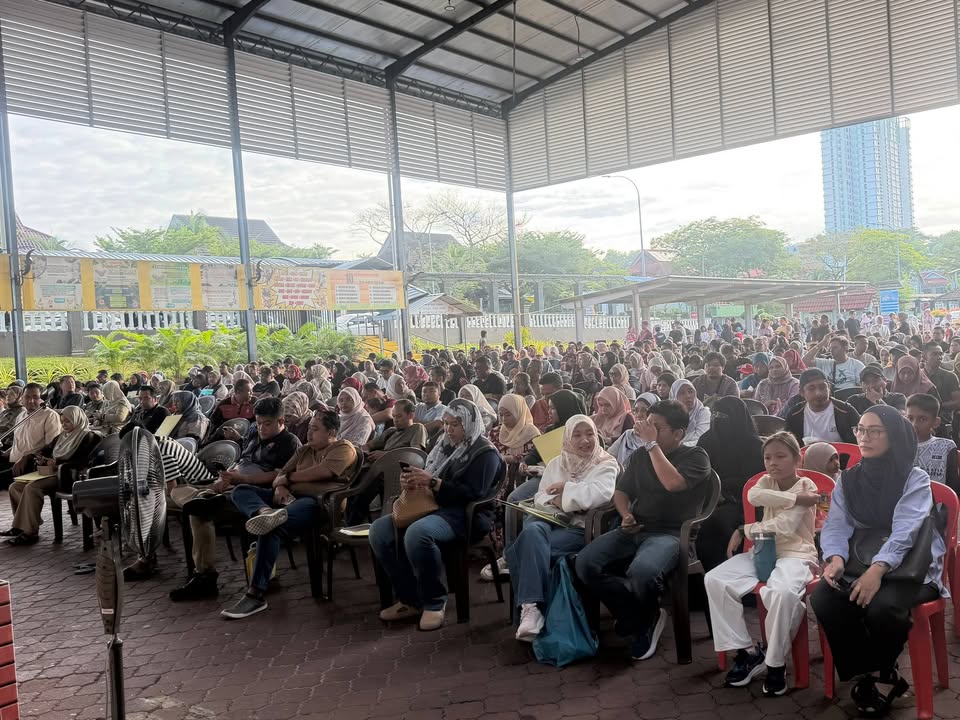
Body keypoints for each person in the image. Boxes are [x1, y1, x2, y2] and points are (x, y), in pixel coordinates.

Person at [812, 406, 947, 718]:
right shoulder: (848, 480)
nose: (864, 437)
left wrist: (877, 570)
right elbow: (836, 525)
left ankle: (882, 676)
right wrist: (835, 558)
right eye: (861, 429)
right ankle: (875, 671)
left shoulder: (914, 477)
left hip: (912, 566)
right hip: (861, 559)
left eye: (875, 431)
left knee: (882, 606)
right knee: (824, 596)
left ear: (894, 436)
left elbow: (906, 530)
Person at [575, 400, 711, 661]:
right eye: (647, 425)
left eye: (656, 427)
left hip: (672, 535)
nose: (647, 431)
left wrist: (651, 445)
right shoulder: (640, 456)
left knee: (642, 571)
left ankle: (641, 623)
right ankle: (641, 616)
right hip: (635, 528)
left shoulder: (696, 457)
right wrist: (626, 514)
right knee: (585, 563)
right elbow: (622, 491)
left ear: (678, 434)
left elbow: (673, 483)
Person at [371, 399, 502, 631]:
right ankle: (410, 598)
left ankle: (434, 601)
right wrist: (412, 479)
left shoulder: (484, 452)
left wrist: (433, 482)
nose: (449, 429)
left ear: (470, 424)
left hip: (466, 515)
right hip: (434, 505)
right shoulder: (444, 445)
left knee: (417, 534)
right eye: (446, 423)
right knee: (379, 530)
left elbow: (474, 494)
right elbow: (429, 474)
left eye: (455, 425)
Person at [706, 432, 819, 695]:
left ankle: (776, 663)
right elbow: (754, 496)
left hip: (796, 554)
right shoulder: (765, 482)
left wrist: (745, 528)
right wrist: (793, 501)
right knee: (715, 579)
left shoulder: (807, 487)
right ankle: (747, 652)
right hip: (764, 551)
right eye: (768, 457)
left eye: (781, 456)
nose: (773, 463)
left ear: (796, 458)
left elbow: (786, 526)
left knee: (781, 593)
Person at [222, 410, 357, 619]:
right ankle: (264, 511)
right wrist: (280, 488)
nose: (309, 434)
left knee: (270, 528)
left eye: (315, 429)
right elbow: (278, 477)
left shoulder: (343, 448)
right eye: (309, 428)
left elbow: (323, 472)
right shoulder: (304, 451)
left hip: (317, 503)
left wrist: (289, 479)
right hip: (288, 499)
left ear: (331, 432)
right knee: (241, 491)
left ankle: (255, 594)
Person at [168, 397, 302, 600]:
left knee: (197, 511)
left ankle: (205, 577)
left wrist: (240, 479)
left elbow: (278, 476)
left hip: (255, 494)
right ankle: (206, 496)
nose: (261, 428)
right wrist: (226, 477)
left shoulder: (289, 442)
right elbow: (241, 461)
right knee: (177, 492)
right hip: (233, 484)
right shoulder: (254, 436)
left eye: (267, 424)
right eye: (258, 423)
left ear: (281, 421)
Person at [507, 415, 618, 641]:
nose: (584, 440)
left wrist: (565, 490)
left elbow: (598, 494)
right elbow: (540, 497)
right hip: (551, 525)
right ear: (567, 438)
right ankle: (534, 608)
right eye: (576, 435)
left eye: (589, 434)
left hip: (581, 530)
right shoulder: (558, 463)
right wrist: (561, 499)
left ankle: (531, 609)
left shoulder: (606, 463)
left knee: (522, 547)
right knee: (532, 532)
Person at [3, 406, 99, 546]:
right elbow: (46, 450)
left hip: (68, 476)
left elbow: (82, 461)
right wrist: (41, 458)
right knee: (15, 487)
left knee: (32, 488)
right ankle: (20, 526)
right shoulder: (61, 436)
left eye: (68, 421)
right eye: (62, 421)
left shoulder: (88, 436)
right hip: (52, 472)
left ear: (77, 419)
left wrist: (57, 462)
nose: (64, 425)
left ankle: (30, 532)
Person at [695, 397, 765, 573]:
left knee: (717, 523)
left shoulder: (754, 446)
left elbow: (755, 483)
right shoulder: (707, 440)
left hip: (744, 502)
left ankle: (734, 574)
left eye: (724, 415)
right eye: (715, 414)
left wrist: (723, 488)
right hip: (709, 499)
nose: (718, 419)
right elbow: (700, 474)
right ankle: (714, 576)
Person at [0, 384, 61, 489]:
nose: (30, 401)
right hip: (12, 461)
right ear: (22, 398)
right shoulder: (21, 416)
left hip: (30, 465)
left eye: (35, 397)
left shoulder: (49, 415)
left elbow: (51, 446)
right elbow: (17, 443)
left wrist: (27, 457)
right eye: (27, 397)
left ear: (42, 398)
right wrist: (3, 453)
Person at [784, 369, 860, 445]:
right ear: (802, 392)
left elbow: (859, 444)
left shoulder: (846, 412)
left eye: (822, 387)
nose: (818, 393)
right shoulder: (794, 415)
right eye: (811, 388)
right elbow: (790, 447)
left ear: (829, 387)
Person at [906, 393, 959, 493]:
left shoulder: (946, 447)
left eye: (922, 419)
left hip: (936, 506)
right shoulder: (897, 447)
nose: (914, 424)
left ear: (936, 422)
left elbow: (953, 486)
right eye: (910, 418)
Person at [608, 393, 659, 467]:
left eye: (644, 410)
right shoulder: (629, 435)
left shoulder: (657, 438)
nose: (638, 415)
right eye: (636, 410)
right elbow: (610, 456)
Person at [489, 394, 541, 464]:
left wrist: (512, 459)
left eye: (508, 415)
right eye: (501, 415)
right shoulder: (495, 432)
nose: (504, 419)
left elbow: (535, 456)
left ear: (519, 412)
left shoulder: (532, 433)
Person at [922, 342, 960, 428]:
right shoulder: (919, 375)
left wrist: (937, 406)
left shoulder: (950, 376)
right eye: (934, 354)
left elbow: (958, 402)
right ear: (924, 356)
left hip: (944, 422)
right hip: (921, 421)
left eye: (940, 354)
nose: (939, 357)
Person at [670, 379, 711, 446]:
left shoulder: (703, 412)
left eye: (691, 392)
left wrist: (678, 445)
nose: (688, 396)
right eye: (682, 393)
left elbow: (702, 439)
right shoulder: (669, 414)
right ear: (674, 397)